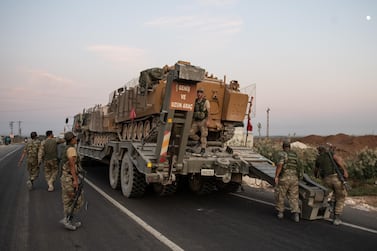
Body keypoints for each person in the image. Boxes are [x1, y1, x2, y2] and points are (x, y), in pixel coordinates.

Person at [314, 144, 348, 225]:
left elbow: (316, 171)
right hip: (335, 178)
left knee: (331, 193)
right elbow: (338, 160)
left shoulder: (319, 158)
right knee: (341, 196)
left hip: (326, 180)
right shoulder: (330, 154)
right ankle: (336, 217)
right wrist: (345, 171)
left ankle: (331, 203)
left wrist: (316, 176)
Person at [60, 131, 84, 231]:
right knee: (78, 200)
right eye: (74, 138)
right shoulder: (71, 150)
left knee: (68, 200)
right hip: (69, 178)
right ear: (72, 139)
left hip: (65, 177)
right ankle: (67, 220)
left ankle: (69, 220)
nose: (76, 139)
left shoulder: (65, 148)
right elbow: (72, 165)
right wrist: (75, 180)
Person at [274, 141, 301, 222]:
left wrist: (276, 176)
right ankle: (296, 214)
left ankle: (280, 212)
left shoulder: (283, 154)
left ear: (283, 147)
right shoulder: (295, 155)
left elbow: (280, 165)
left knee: (280, 194)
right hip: (294, 178)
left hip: (285, 178)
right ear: (290, 147)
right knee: (294, 197)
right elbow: (299, 166)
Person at [189, 87, 210, 155]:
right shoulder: (195, 101)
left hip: (203, 121)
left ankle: (203, 149)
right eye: (198, 92)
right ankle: (199, 140)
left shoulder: (206, 102)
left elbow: (208, 112)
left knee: (203, 135)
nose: (199, 94)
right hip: (196, 121)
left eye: (201, 92)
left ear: (203, 94)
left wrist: (208, 121)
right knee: (190, 133)